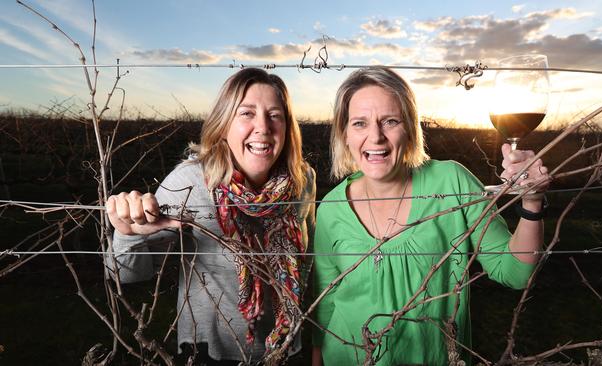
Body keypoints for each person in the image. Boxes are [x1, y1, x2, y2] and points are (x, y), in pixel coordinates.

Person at [311, 67, 549, 365]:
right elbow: (324, 304)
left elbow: (515, 272)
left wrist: (532, 200)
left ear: (410, 128)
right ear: (344, 134)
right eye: (360, 123)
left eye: (390, 121)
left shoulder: (451, 182)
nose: (376, 137)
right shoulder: (331, 208)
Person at [106, 68, 316, 365]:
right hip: (210, 356)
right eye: (246, 114)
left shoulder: (302, 179)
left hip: (286, 351)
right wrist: (126, 231)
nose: (263, 127)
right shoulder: (190, 181)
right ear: (224, 124)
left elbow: (308, 260)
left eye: (275, 115)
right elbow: (124, 275)